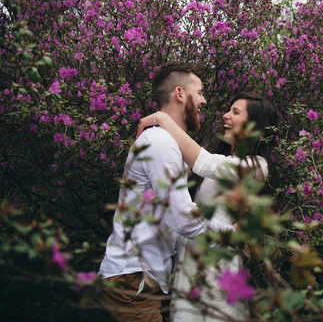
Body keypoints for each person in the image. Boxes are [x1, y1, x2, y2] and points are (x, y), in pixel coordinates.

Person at [98, 62, 236, 322]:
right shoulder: (160, 143)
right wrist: (234, 234)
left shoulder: (167, 142)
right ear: (181, 94)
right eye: (201, 91)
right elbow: (182, 217)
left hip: (143, 277)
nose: (204, 100)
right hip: (132, 278)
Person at [136, 92, 279, 322]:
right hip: (188, 264)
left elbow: (204, 163)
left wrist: (163, 119)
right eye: (228, 110)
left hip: (219, 271)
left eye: (235, 112)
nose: (225, 116)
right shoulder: (221, 163)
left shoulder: (256, 166)